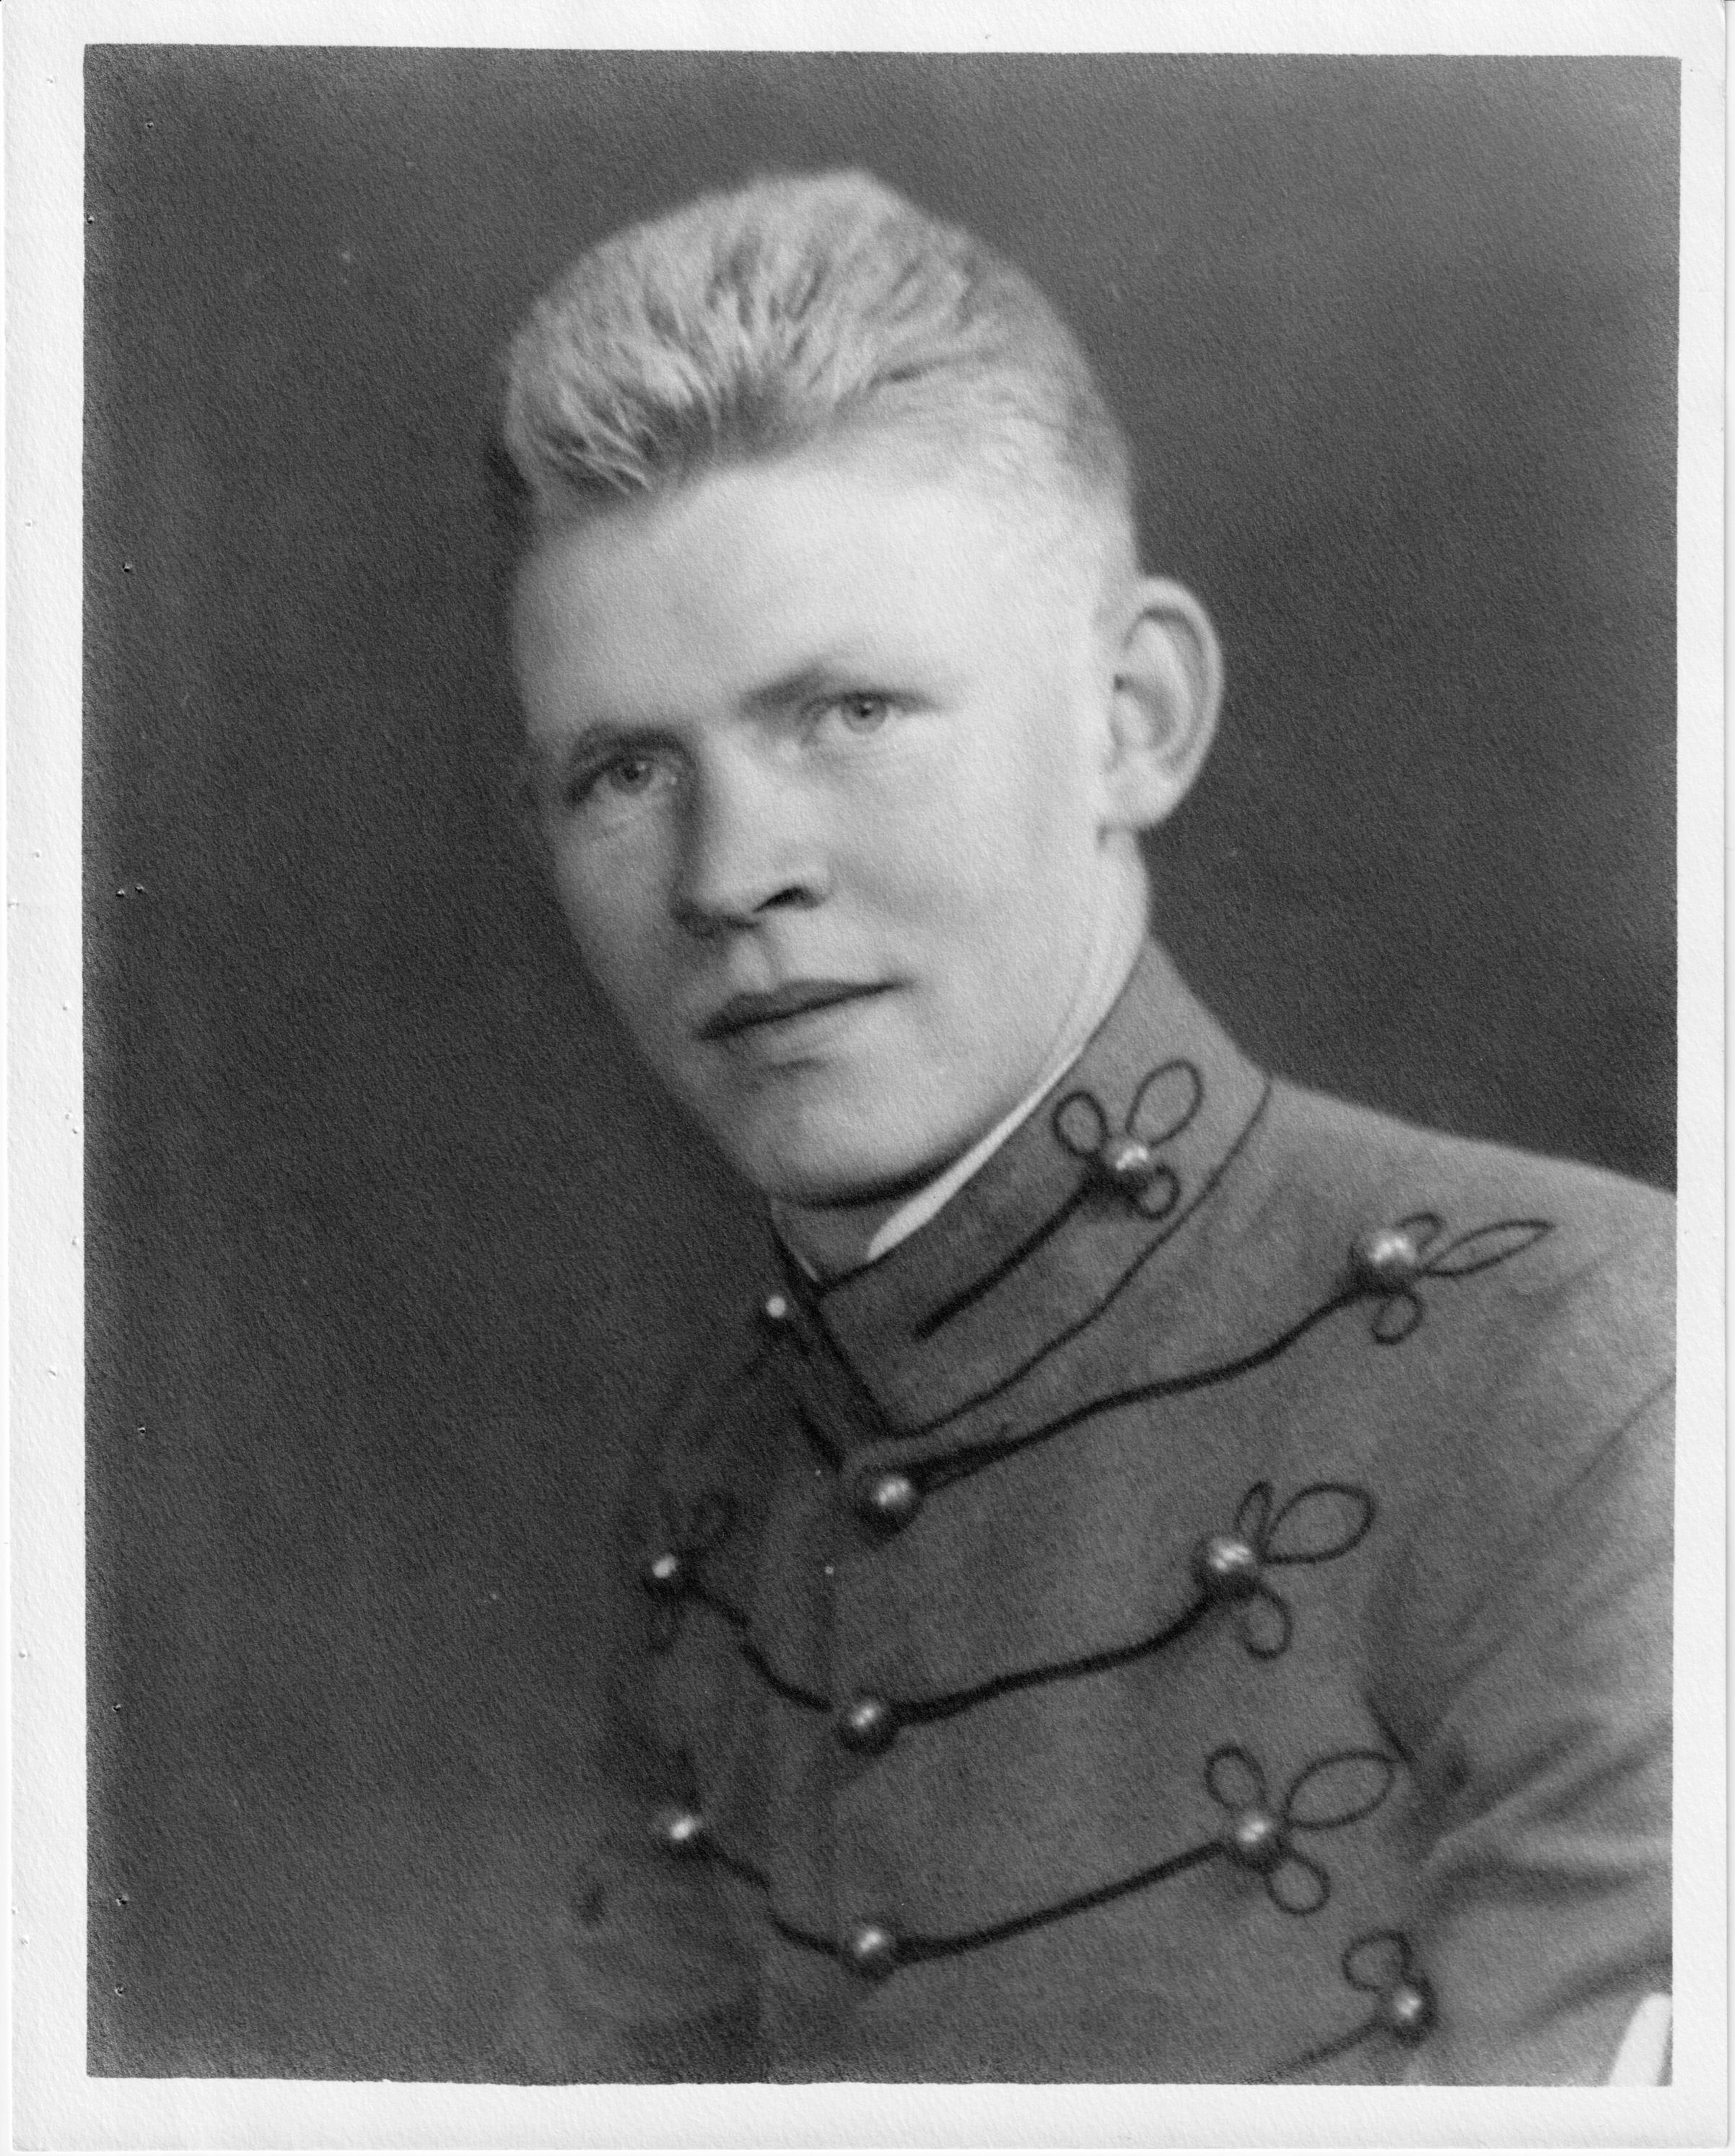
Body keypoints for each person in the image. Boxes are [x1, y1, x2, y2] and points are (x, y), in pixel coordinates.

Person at [487, 169, 1672, 2085]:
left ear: (1132, 718)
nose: (728, 874)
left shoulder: (1598, 1374)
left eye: (850, 711)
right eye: (623, 770)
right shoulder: (721, 1476)